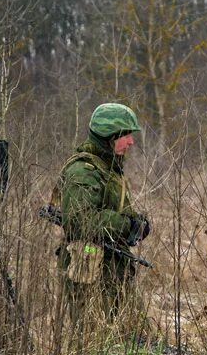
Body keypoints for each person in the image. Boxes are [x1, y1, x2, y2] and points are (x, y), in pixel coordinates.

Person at [54, 102, 150, 323]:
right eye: (125, 135)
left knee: (131, 334)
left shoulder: (108, 168)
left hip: (113, 270)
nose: (131, 141)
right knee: (96, 340)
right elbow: (80, 220)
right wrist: (127, 226)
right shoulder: (83, 172)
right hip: (91, 273)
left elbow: (110, 210)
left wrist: (138, 224)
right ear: (109, 136)